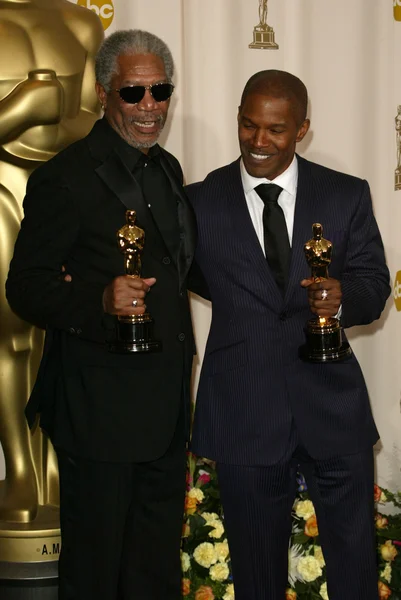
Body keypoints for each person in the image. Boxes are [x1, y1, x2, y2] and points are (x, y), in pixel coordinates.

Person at [6, 29, 197, 600]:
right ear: (102, 93)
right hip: (98, 413)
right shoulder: (64, 178)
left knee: (154, 569)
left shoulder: (167, 169)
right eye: (133, 93)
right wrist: (98, 300)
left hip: (165, 409)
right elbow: (26, 288)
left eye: (159, 92)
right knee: (95, 573)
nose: (150, 108)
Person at [186, 70, 390, 600]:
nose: (259, 141)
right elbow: (188, 279)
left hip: (333, 409)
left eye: (275, 130)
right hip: (244, 408)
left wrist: (342, 298)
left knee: (355, 575)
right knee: (256, 577)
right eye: (248, 126)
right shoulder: (198, 202)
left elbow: (373, 283)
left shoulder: (345, 194)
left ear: (302, 129)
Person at [0, 0, 103, 524]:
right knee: (10, 337)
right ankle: (21, 471)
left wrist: (52, 119)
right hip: (1, 192)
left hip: (63, 201)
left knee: (66, 328)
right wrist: (18, 111)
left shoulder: (80, 21)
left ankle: (59, 465)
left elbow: (93, 123)